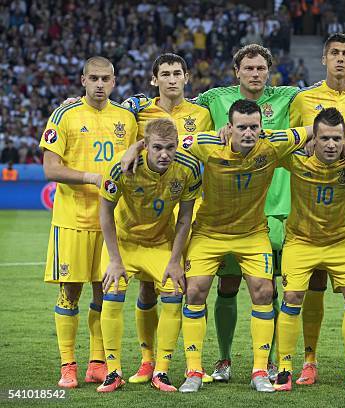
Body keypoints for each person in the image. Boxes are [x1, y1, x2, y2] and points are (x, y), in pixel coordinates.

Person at [190, 44, 345, 382]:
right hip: (238, 208)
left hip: (285, 206)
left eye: (261, 68)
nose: (255, 74)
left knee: (278, 289)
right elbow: (176, 107)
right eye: (248, 68)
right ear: (237, 71)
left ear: (269, 71)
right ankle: (223, 358)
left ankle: (279, 362)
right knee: (230, 284)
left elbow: (322, 125)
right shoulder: (214, 97)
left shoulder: (290, 96)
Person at [39, 56, 138, 388]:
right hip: (72, 220)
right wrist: (92, 178)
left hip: (112, 222)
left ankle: (98, 362)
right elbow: (51, 169)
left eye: (105, 79)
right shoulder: (64, 114)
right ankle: (68, 364)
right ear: (82, 80)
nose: (99, 84)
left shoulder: (126, 118)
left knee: (103, 290)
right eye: (93, 78)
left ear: (114, 81)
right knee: (70, 292)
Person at [289, 32, 345, 384]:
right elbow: (294, 141)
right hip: (314, 206)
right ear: (323, 59)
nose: (340, 59)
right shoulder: (304, 99)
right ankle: (309, 358)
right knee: (313, 284)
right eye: (334, 53)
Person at [119, 52, 213, 384]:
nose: (172, 79)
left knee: (190, 287)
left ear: (187, 77)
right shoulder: (138, 110)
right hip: (150, 213)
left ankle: (191, 363)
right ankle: (148, 361)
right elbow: (112, 118)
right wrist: (134, 147)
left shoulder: (203, 114)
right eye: (165, 73)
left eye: (177, 73)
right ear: (154, 79)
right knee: (147, 288)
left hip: (189, 207)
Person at [96, 118, 200, 393]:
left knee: (174, 292)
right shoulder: (123, 167)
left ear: (177, 145)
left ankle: (162, 371)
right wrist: (115, 260)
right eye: (157, 148)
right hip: (125, 243)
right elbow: (105, 212)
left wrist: (175, 260)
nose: (164, 154)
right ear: (145, 147)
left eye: (170, 147)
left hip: (159, 244)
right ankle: (113, 370)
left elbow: (185, 218)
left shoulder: (189, 168)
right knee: (113, 290)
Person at [274, 107, 345, 392]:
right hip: (301, 240)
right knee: (292, 296)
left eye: (337, 138)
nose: (331, 144)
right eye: (324, 138)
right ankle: (285, 368)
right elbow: (269, 142)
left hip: (341, 240)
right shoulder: (296, 159)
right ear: (313, 139)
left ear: (344, 139)